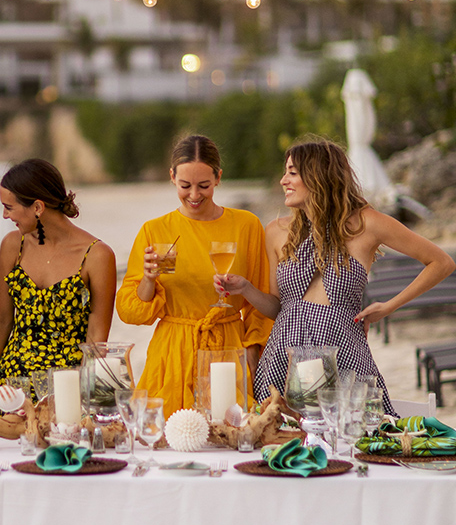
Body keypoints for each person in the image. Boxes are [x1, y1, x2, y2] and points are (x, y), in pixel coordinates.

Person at [216, 139, 455, 412]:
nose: (283, 181)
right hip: (284, 358)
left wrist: (388, 307)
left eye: (292, 173)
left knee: (358, 443)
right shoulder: (276, 231)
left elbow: (441, 262)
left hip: (344, 356)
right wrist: (246, 288)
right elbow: (279, 308)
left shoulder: (367, 224)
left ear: (318, 175)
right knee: (280, 445)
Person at [116, 133, 272, 419]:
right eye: (185, 185)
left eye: (204, 185)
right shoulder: (156, 230)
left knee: (230, 436)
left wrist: (252, 349)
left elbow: (262, 302)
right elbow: (131, 313)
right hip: (171, 354)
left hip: (227, 350)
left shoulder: (246, 225)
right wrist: (149, 279)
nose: (194, 195)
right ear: (172, 176)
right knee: (169, 442)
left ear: (219, 178)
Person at [0, 158, 116, 411]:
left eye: (9, 207)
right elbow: (0, 319)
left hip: (67, 385)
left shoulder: (97, 255)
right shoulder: (12, 245)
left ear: (38, 207)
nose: (4, 215)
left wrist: (85, 399)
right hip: (12, 385)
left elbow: (97, 338)